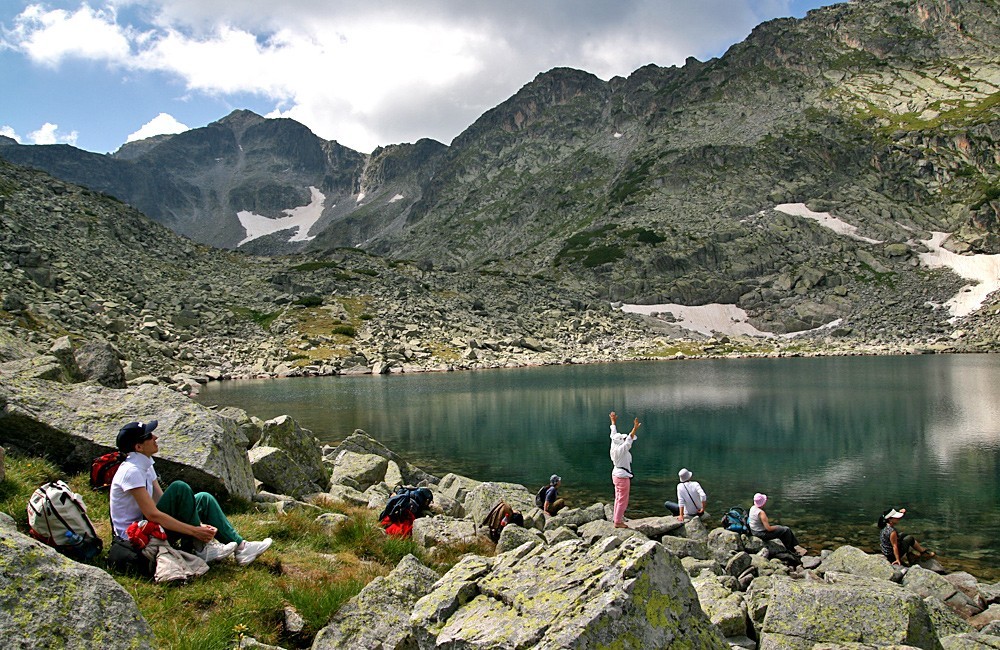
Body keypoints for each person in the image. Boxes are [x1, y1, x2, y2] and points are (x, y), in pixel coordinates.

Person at [109, 420, 272, 567]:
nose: (156, 437)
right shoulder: (132, 472)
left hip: (148, 526)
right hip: (136, 538)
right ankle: (201, 547)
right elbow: (153, 515)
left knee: (203, 499)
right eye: (150, 435)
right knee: (179, 488)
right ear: (138, 447)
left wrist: (197, 523)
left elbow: (160, 501)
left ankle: (242, 548)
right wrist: (194, 531)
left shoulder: (145, 465)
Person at [609, 411, 641, 529]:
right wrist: (634, 428)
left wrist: (613, 421)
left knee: (618, 497)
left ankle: (616, 518)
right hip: (622, 476)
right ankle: (618, 521)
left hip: (616, 474)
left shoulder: (614, 444)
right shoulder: (621, 449)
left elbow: (613, 433)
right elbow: (629, 440)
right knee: (623, 499)